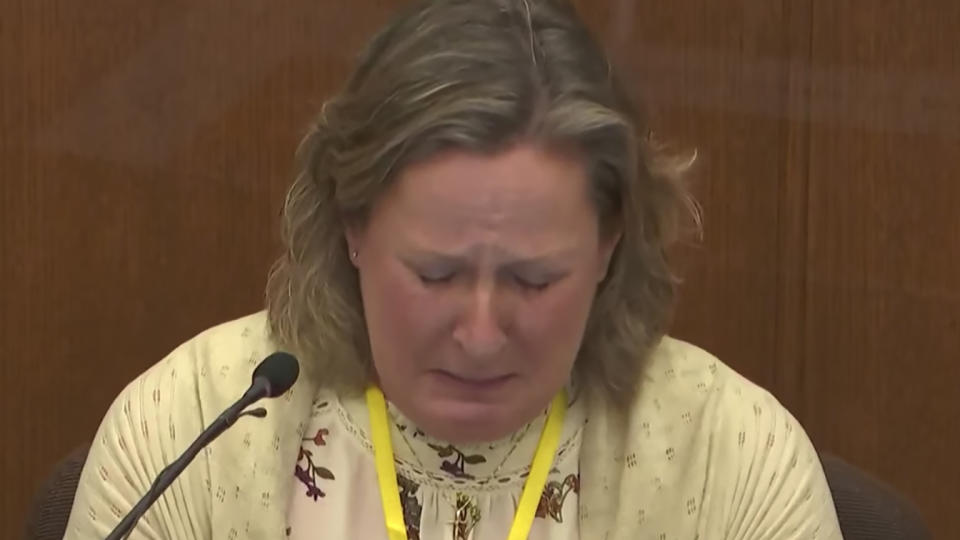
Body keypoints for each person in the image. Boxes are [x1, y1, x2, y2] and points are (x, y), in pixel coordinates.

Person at [65, 0, 842, 538]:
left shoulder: (732, 462)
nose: (479, 335)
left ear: (609, 247)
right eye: (435, 275)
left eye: (533, 282)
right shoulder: (187, 430)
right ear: (352, 228)